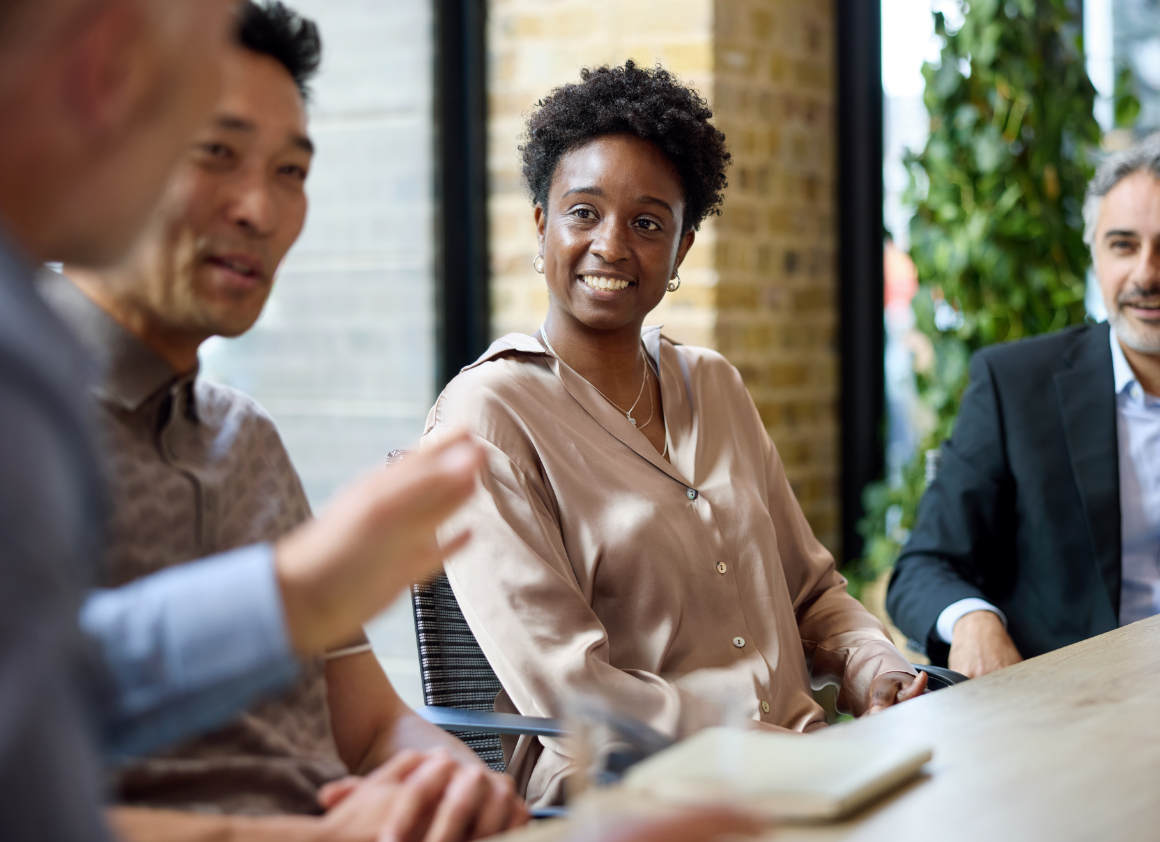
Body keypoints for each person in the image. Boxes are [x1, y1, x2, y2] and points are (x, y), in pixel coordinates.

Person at [0, 1, 482, 839]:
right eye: (214, 152)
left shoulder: (246, 435)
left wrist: (444, 783)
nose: (257, 208)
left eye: (291, 171)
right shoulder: (30, 404)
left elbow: (370, 725)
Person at [420, 61, 927, 809]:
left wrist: (872, 663)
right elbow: (567, 683)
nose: (612, 245)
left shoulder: (713, 385)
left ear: (682, 249)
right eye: (583, 212)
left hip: (808, 768)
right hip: (626, 792)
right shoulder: (487, 416)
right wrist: (747, 741)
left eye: (648, 223)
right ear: (540, 223)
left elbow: (813, 594)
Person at [886, 132, 1160, 678]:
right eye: (1124, 245)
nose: (1147, 274)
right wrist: (972, 621)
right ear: (1095, 254)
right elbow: (923, 568)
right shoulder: (1016, 385)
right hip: (1075, 709)